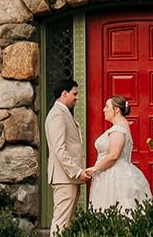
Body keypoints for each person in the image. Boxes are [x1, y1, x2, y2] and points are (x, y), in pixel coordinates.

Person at [82, 95, 152, 212]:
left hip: (114, 175)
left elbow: (114, 155)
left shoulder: (118, 129)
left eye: (107, 106)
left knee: (113, 206)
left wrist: (95, 168)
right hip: (114, 172)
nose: (104, 109)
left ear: (117, 110)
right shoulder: (121, 127)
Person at [44, 77, 85, 233]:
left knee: (67, 223)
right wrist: (77, 171)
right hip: (64, 177)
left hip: (69, 178)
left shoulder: (64, 113)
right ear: (64, 93)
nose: (77, 97)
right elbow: (59, 150)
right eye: (74, 93)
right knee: (61, 221)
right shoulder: (57, 115)